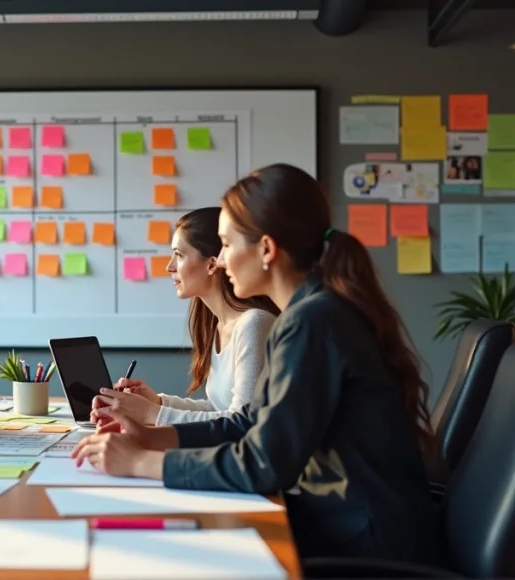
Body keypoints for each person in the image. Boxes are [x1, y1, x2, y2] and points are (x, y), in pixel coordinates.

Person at [73, 163, 443, 564]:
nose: (221, 261)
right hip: (347, 522)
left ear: (266, 249)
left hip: (367, 543)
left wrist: (142, 462)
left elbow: (264, 464)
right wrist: (150, 437)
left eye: (226, 245)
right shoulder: (309, 314)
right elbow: (248, 423)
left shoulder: (314, 322)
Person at [90, 207, 278, 426]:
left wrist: (152, 413)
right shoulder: (218, 325)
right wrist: (157, 402)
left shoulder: (253, 324)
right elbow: (218, 409)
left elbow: (242, 422)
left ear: (211, 264)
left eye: (178, 255)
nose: (169, 267)